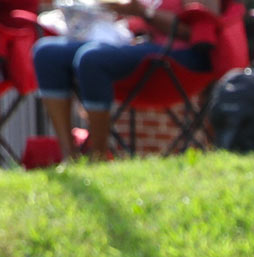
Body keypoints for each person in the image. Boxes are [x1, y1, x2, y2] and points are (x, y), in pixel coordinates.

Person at [31, 0, 220, 162]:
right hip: (134, 45)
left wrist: (144, 13)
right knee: (46, 53)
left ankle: (98, 157)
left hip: (180, 59)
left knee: (92, 58)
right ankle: (70, 158)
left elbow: (200, 34)